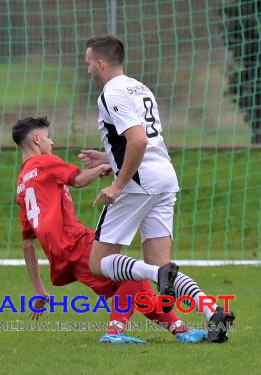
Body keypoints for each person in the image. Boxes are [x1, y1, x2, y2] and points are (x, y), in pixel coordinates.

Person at [83, 34, 234, 342]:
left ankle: (157, 277)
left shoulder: (110, 93)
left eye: (88, 64)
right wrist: (109, 157)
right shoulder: (140, 87)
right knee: (159, 262)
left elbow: (137, 140)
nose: (87, 70)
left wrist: (118, 184)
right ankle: (212, 312)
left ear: (100, 63)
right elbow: (140, 142)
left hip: (138, 183)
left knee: (98, 264)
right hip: (163, 177)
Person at [13, 116, 209, 344]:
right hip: (75, 241)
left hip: (61, 254)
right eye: (48, 138)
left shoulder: (22, 183)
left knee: (135, 287)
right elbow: (77, 179)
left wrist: (39, 290)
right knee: (133, 276)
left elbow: (28, 244)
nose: (52, 142)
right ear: (36, 139)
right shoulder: (44, 162)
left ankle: (182, 332)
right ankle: (114, 333)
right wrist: (102, 168)